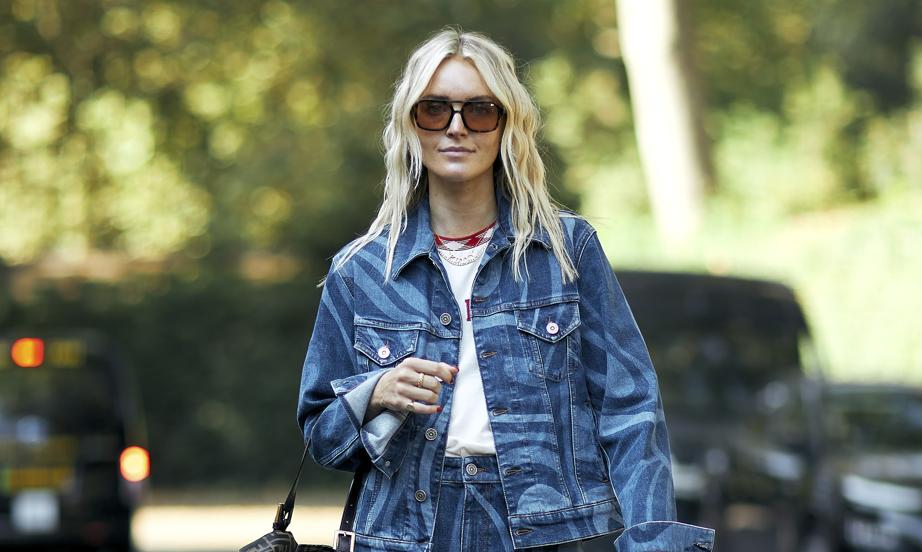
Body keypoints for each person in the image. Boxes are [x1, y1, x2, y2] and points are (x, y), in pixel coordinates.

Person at [297, 27, 716, 552]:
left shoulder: (568, 251)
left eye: (478, 110)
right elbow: (321, 438)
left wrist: (653, 542)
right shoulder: (360, 271)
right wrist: (375, 394)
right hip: (403, 533)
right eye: (434, 110)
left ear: (505, 125)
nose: (456, 128)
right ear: (411, 124)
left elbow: (630, 411)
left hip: (546, 529)